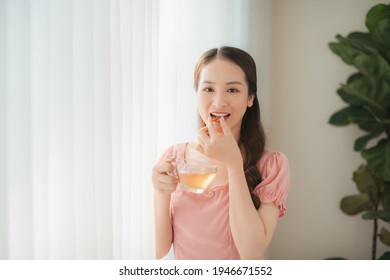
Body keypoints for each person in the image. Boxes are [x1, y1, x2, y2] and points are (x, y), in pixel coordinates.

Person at [151, 46, 290, 260]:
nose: (218, 102)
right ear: (197, 93)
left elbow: (251, 252)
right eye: (208, 89)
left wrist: (234, 164)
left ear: (250, 97)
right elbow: (160, 249)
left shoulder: (271, 165)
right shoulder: (175, 157)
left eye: (232, 90)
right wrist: (161, 193)